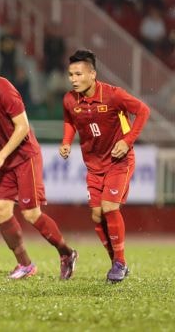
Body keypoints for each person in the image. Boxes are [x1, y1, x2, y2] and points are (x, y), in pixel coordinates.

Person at [0, 40, 77, 280]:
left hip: (25, 156)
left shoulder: (4, 89)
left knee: (30, 213)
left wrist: (1, 155)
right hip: (5, 159)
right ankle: (25, 264)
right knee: (1, 210)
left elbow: (22, 127)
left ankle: (66, 252)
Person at [59, 49, 150, 283]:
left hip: (119, 161)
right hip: (93, 165)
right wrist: (66, 142)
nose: (73, 79)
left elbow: (143, 110)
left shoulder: (112, 95)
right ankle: (118, 262)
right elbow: (70, 119)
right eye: (70, 75)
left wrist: (127, 141)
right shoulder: (70, 99)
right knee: (97, 215)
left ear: (92, 74)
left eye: (78, 74)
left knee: (110, 207)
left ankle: (119, 263)